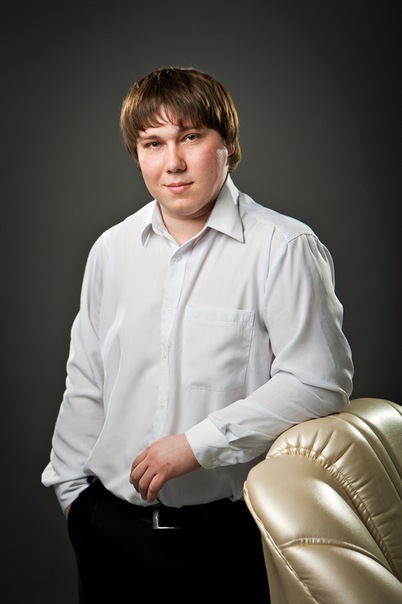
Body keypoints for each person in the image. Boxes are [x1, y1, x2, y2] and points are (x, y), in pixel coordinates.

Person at [42, 66, 354, 601]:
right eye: (153, 143)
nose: (173, 162)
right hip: (109, 535)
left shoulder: (282, 247)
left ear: (227, 143)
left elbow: (318, 382)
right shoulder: (111, 250)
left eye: (190, 137)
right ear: (137, 154)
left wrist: (197, 444)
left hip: (227, 543)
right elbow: (87, 380)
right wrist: (74, 499)